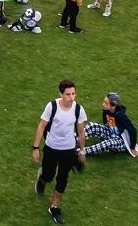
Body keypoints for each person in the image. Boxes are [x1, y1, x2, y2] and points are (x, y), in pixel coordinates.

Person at [32, 79, 87, 223]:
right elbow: (42, 126)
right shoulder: (52, 107)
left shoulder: (78, 109)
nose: (71, 97)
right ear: (60, 94)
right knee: (49, 175)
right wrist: (36, 147)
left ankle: (54, 206)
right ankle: (43, 179)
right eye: (68, 94)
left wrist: (82, 151)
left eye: (73, 94)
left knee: (63, 178)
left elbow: (81, 132)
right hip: (51, 148)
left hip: (68, 149)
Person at [82, 91, 138, 157]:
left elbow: (133, 130)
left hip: (120, 141)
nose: (103, 104)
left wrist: (132, 148)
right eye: (104, 101)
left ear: (113, 106)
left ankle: (80, 152)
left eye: (106, 103)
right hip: (109, 133)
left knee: (107, 144)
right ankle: (73, 140)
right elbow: (105, 122)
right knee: (92, 126)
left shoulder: (121, 116)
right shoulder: (107, 110)